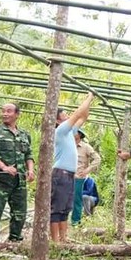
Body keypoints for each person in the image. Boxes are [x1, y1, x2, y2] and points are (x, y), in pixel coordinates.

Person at [0, 103, 35, 243]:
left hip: (19, 182)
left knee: (19, 214)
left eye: (9, 111)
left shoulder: (24, 135)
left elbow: (28, 154)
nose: (5, 114)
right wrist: (4, 167)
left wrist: (30, 170)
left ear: (17, 114)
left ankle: (15, 241)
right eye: (3, 111)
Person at [51, 94, 94, 242]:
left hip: (69, 175)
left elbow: (83, 117)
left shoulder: (70, 132)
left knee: (65, 208)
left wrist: (90, 101)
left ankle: (63, 238)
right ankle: (56, 240)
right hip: (60, 174)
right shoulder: (61, 130)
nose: (68, 117)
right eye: (64, 116)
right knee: (57, 208)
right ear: (58, 120)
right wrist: (90, 96)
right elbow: (77, 114)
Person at [72, 128, 101, 225]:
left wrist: (87, 170)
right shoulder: (68, 145)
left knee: (77, 199)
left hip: (78, 177)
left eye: (75, 131)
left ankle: (75, 221)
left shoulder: (86, 147)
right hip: (66, 175)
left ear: (79, 135)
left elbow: (97, 158)